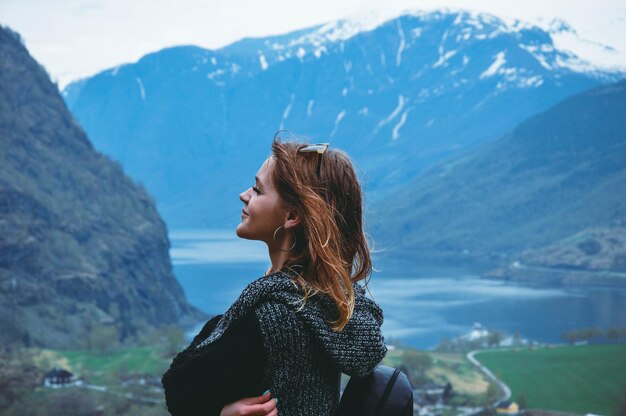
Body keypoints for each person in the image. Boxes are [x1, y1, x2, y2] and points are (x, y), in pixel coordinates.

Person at [162, 138, 387, 416]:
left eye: (257, 189)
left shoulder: (273, 316)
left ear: (292, 215)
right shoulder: (331, 305)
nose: (244, 195)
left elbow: (179, 389)